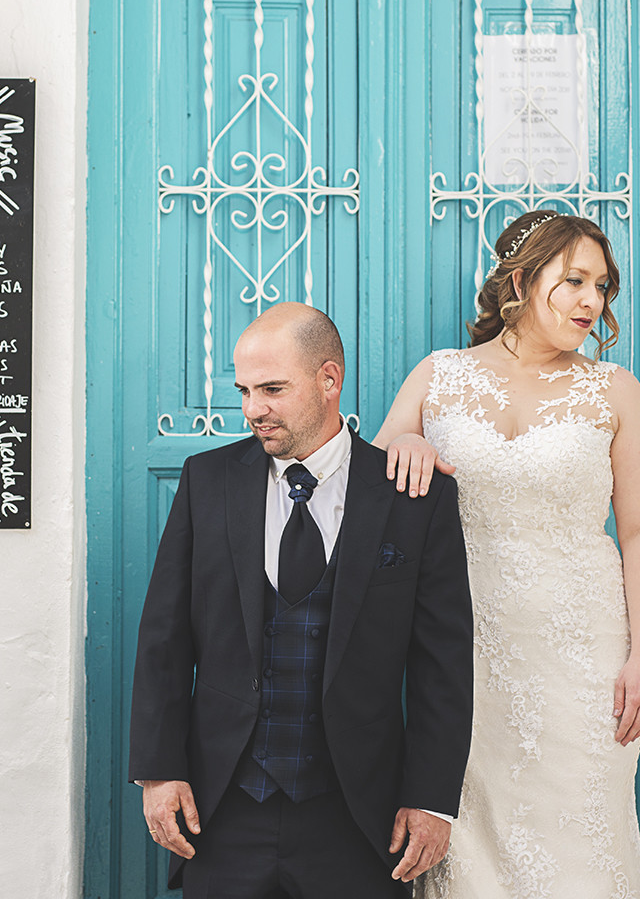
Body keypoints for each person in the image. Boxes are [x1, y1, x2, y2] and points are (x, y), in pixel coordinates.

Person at [129, 302, 477, 899]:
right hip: (222, 811)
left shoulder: (412, 498)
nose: (251, 410)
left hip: (360, 816)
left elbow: (442, 662)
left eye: (272, 389)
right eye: (243, 390)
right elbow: (164, 637)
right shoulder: (206, 481)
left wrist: (430, 799)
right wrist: (158, 772)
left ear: (328, 380)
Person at [373, 210, 640, 899]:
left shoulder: (615, 392)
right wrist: (406, 442)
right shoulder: (439, 376)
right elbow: (376, 469)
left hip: (583, 656)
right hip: (463, 655)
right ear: (520, 280)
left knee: (585, 835)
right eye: (574, 282)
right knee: (470, 843)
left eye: (602, 286)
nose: (592, 302)